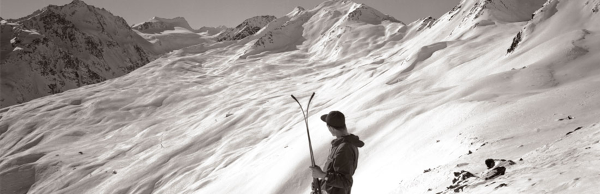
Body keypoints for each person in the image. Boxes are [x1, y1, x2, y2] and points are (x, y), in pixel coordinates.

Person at [309, 111, 364, 194]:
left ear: (331, 128)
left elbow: (346, 181)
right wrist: (321, 183)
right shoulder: (341, 144)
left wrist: (322, 175)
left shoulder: (345, 148)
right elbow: (334, 173)